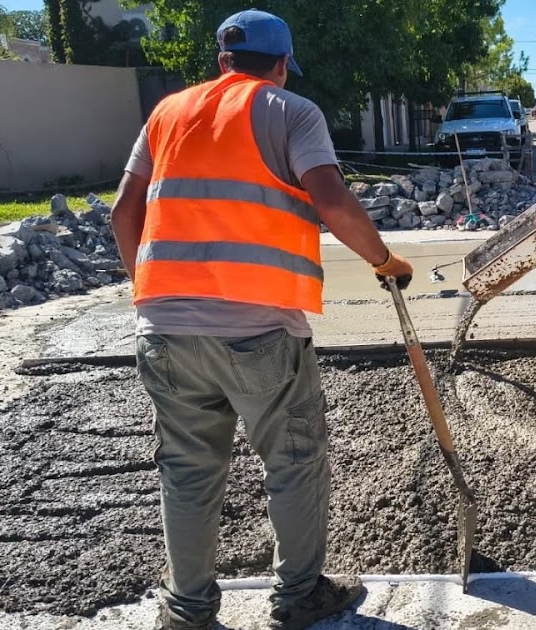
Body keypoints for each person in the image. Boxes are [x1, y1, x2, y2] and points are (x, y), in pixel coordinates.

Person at [110, 10, 413, 630]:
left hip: (163, 328)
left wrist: (149, 289)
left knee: (188, 472)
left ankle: (189, 610)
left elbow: (124, 211)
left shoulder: (166, 113)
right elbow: (330, 199)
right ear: (280, 66)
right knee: (293, 462)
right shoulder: (289, 111)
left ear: (222, 62)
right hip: (259, 329)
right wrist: (385, 259)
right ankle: (298, 595)